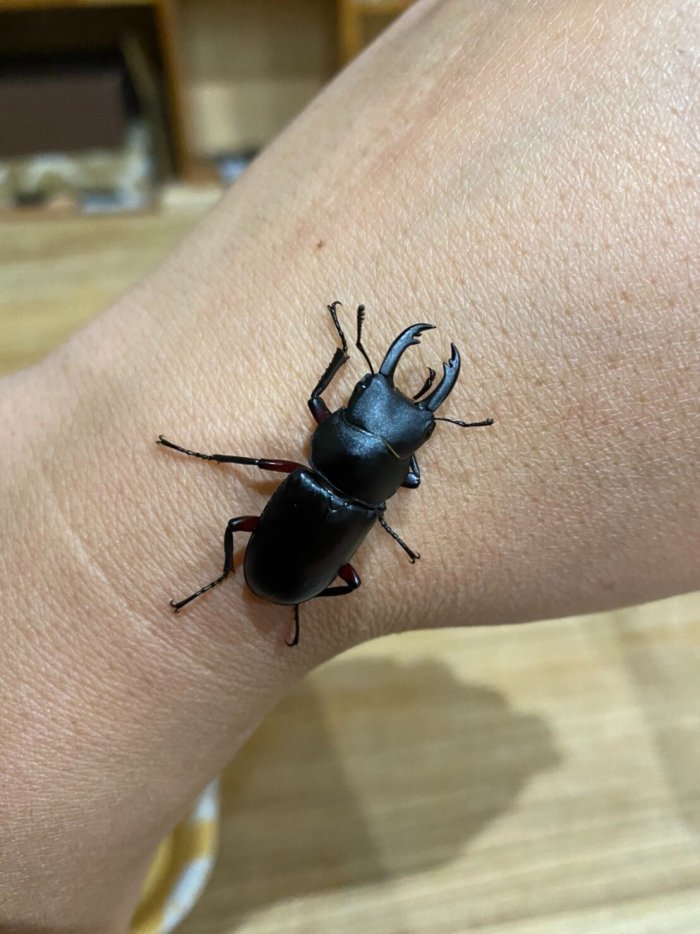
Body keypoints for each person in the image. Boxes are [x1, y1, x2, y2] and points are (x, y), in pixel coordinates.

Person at [1, 0, 697, 928]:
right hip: (320, 541)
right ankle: (241, 577)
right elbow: (361, 455)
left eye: (403, 432)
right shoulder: (371, 494)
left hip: (305, 541)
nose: (388, 419)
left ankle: (244, 577)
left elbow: (327, 431)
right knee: (295, 534)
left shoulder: (322, 468)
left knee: (257, 510)